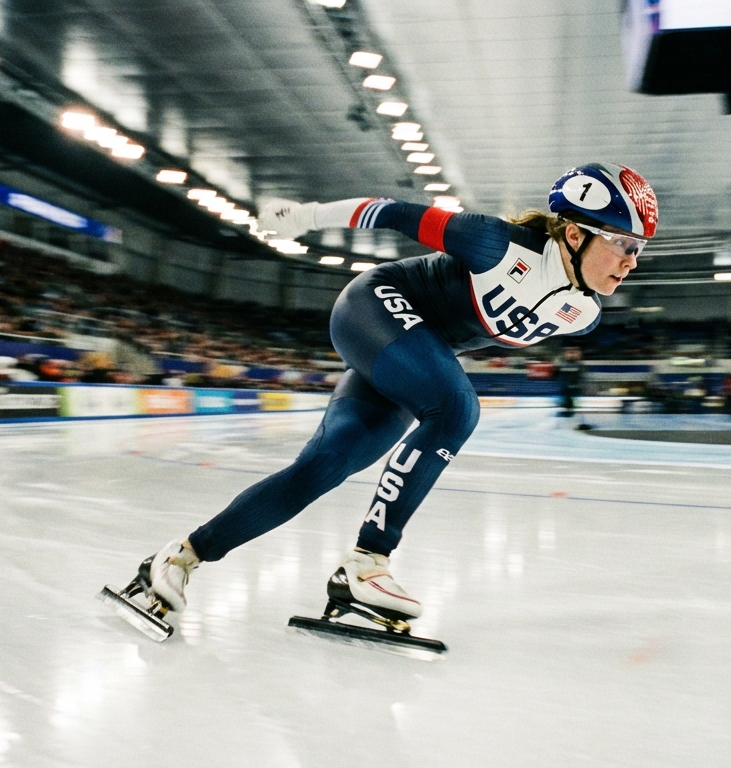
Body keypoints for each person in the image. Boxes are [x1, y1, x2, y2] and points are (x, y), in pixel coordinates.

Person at [115, 163, 657, 637]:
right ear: (572, 233)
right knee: (457, 408)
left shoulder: (581, 313)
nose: (632, 261)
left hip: (406, 347)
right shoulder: (496, 243)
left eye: (640, 250)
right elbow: (391, 212)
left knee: (322, 468)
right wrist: (306, 218)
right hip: (373, 306)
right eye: (625, 245)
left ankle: (180, 556)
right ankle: (369, 562)